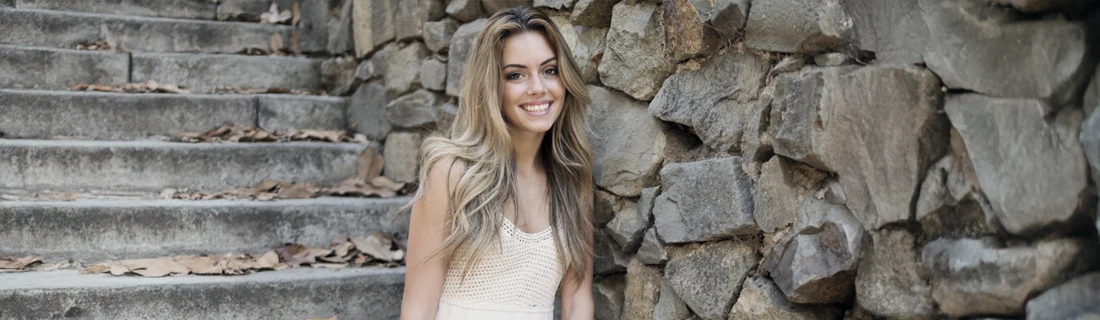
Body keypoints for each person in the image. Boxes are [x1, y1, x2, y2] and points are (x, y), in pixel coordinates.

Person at [399, 6, 596, 320]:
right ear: (491, 86)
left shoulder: (572, 179)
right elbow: (418, 309)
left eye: (550, 70)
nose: (538, 88)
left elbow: (577, 301)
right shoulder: (451, 173)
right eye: (515, 75)